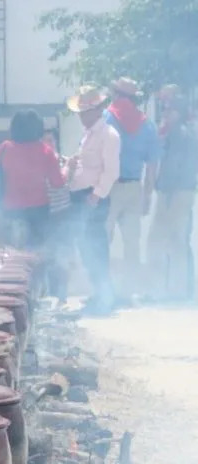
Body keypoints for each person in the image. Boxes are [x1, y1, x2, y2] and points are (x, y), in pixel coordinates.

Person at [103, 77, 161, 304]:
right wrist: (147, 195)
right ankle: (128, 292)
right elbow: (152, 164)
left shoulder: (106, 118)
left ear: (117, 94)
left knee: (102, 240)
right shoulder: (147, 124)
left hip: (109, 187)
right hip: (134, 187)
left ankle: (104, 291)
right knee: (132, 244)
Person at [67, 85, 121, 316]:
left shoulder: (109, 135)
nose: (81, 116)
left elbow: (111, 171)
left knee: (96, 247)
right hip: (81, 196)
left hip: (92, 197)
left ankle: (105, 296)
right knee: (86, 247)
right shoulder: (88, 135)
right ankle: (99, 293)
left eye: (85, 111)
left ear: (96, 110)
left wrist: (97, 195)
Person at [0, 110, 65, 249]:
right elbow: (57, 183)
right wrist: (67, 170)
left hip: (11, 209)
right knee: (37, 252)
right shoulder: (46, 151)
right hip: (39, 212)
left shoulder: (5, 148)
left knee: (12, 253)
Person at [147, 96, 198, 302]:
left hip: (173, 192)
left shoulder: (179, 132)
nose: (165, 114)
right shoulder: (188, 131)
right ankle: (177, 290)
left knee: (162, 240)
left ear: (178, 112)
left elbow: (175, 165)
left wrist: (166, 192)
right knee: (178, 241)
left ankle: (163, 290)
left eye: (168, 110)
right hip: (183, 191)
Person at [44, 128, 73, 304]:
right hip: (47, 215)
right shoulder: (39, 162)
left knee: (63, 257)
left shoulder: (64, 161)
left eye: (51, 141)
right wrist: (68, 169)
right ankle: (50, 295)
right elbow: (58, 181)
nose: (49, 144)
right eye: (45, 141)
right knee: (48, 257)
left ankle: (62, 296)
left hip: (63, 214)